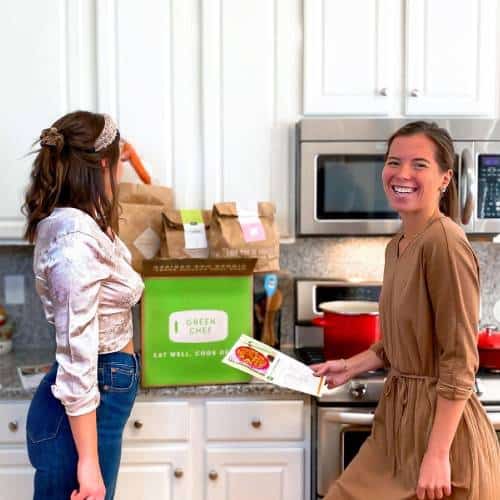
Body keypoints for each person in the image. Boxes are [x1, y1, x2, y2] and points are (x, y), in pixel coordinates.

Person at [312, 121, 500, 500]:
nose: (402, 174)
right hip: (397, 427)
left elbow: (460, 360)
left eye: (419, 164)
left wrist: (437, 454)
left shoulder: (445, 243)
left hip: (440, 431)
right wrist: (350, 365)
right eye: (394, 162)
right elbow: (398, 339)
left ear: (446, 179)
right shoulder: (398, 244)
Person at [23, 111, 144, 500]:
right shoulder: (74, 243)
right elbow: (77, 358)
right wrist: (87, 463)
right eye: (118, 160)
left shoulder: (82, 224)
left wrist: (105, 180)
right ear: (104, 164)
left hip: (100, 397)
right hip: (84, 406)